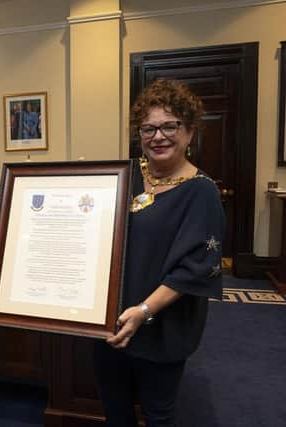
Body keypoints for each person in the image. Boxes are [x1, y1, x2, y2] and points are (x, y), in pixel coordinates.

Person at [93, 78, 225, 426]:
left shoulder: (202, 192)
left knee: (158, 415)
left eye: (170, 126)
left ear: (190, 132)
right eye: (148, 128)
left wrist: (144, 310)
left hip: (161, 326)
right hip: (109, 319)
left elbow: (195, 268)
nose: (158, 136)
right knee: (115, 411)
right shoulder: (124, 175)